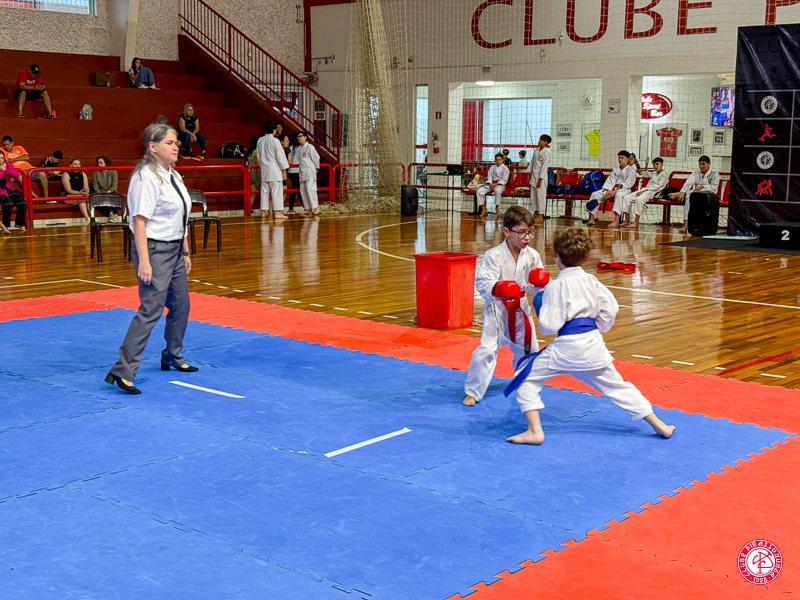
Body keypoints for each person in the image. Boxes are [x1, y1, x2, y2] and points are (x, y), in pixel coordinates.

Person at [506, 227, 675, 445]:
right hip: (593, 345)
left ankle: (534, 431)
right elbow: (611, 308)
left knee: (524, 377)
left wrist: (541, 303)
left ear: (557, 257)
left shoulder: (556, 286)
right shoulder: (593, 281)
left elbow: (549, 326)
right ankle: (660, 426)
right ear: (585, 257)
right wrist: (599, 326)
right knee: (618, 387)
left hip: (566, 349)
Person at [105, 123, 196, 395]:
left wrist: (185, 250)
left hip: (175, 248)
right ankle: (123, 370)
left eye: (176, 142)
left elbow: (181, 216)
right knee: (151, 309)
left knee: (181, 305)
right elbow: (139, 222)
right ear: (152, 147)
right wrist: (144, 262)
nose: (176, 147)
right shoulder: (145, 177)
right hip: (154, 250)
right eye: (170, 142)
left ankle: (172, 355)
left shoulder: (173, 175)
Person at [463, 205, 545, 406]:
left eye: (530, 232)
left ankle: (523, 382)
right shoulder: (494, 254)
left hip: (521, 308)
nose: (527, 237)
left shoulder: (532, 255)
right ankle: (473, 391)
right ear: (506, 231)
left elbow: (538, 285)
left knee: (529, 348)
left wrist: (542, 287)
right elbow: (482, 282)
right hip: (497, 309)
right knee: (486, 350)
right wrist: (499, 287)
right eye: (522, 232)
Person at [668, 155, 720, 234]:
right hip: (696, 195)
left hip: (710, 197)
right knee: (689, 196)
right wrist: (682, 191)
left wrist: (702, 187)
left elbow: (714, 188)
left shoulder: (714, 174)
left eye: (703, 164)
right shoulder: (696, 173)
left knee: (691, 193)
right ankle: (685, 224)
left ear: (709, 163)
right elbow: (689, 182)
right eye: (700, 164)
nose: (701, 166)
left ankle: (680, 194)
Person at [586, 150, 636, 227]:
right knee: (595, 194)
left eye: (622, 158)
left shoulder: (631, 170)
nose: (620, 160)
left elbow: (629, 183)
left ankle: (616, 220)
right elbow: (610, 181)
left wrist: (614, 191)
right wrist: (608, 190)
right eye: (619, 158)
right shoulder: (615, 169)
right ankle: (591, 218)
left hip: (624, 190)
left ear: (627, 159)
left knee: (619, 195)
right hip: (611, 189)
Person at [620, 157, 668, 229]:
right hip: (645, 190)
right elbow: (645, 174)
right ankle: (627, 220)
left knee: (639, 200)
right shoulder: (654, 173)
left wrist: (643, 190)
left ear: (662, 164)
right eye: (654, 165)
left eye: (657, 164)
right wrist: (646, 164)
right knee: (626, 198)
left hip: (654, 192)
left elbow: (656, 187)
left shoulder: (664, 175)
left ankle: (636, 222)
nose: (655, 166)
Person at [257, 121, 289, 220]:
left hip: (264, 168)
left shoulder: (260, 140)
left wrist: (261, 166)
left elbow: (258, 155)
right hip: (274, 168)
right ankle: (277, 212)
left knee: (264, 190)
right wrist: (284, 170)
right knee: (276, 191)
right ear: (274, 130)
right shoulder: (275, 141)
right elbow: (280, 157)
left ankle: (263, 211)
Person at [526, 134, 551, 223]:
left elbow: (544, 168)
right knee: (533, 196)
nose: (540, 141)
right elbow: (531, 163)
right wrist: (528, 174)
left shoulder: (546, 154)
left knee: (540, 197)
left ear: (546, 143)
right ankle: (535, 212)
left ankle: (541, 214)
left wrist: (540, 179)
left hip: (541, 178)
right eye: (540, 139)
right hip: (533, 176)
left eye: (543, 141)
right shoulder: (536, 152)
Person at [475, 153, 509, 218]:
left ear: (502, 160)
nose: (498, 161)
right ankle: (483, 208)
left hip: (499, 185)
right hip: (491, 184)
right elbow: (489, 177)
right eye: (496, 160)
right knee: (479, 191)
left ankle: (497, 208)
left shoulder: (505, 169)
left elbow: (504, 179)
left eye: (499, 160)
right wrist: (490, 183)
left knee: (498, 191)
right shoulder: (492, 167)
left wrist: (496, 184)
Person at [296, 132, 321, 216]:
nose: (299, 138)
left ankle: (316, 207)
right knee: (303, 190)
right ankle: (307, 208)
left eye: (300, 136)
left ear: (305, 137)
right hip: (302, 171)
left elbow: (316, 157)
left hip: (310, 170)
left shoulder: (310, 147)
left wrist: (316, 167)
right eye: (298, 137)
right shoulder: (299, 148)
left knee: (311, 189)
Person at [0, 150, 25, 233]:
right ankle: (6, 226)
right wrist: (2, 171)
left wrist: (5, 169)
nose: (1, 160)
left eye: (2, 158)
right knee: (8, 203)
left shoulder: (6, 164)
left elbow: (16, 174)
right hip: (0, 192)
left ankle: (19, 223)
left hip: (8, 190)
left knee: (22, 202)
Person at [60, 157, 91, 223]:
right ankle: (87, 218)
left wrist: (86, 192)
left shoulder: (83, 174)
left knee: (89, 198)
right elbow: (68, 190)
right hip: (67, 195)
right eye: (75, 164)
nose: (77, 166)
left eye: (79, 164)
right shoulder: (66, 174)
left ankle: (93, 217)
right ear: (71, 165)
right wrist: (79, 193)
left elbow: (86, 188)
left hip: (81, 194)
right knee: (81, 198)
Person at [93, 155, 121, 222]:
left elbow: (114, 185)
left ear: (106, 163)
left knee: (115, 196)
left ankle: (115, 215)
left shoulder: (113, 171)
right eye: (98, 163)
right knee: (96, 200)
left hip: (111, 191)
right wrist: (101, 193)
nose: (99, 165)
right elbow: (96, 186)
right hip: (101, 192)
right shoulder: (96, 173)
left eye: (101, 163)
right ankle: (110, 213)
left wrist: (109, 191)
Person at [286, 135, 302, 214]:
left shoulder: (290, 147)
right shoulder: (300, 148)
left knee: (295, 189)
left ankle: (291, 208)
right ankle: (292, 208)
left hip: (290, 171)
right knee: (297, 190)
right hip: (297, 171)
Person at [246, 135, 261, 215]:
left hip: (249, 171)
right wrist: (261, 173)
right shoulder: (256, 151)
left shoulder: (249, 151)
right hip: (255, 171)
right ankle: (267, 209)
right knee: (263, 190)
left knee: (252, 192)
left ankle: (248, 209)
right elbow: (257, 162)